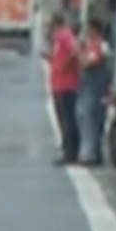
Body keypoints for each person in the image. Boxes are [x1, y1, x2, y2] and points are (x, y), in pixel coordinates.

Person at [44, 11, 81, 166]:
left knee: (67, 120)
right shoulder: (58, 40)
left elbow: (75, 52)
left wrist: (65, 65)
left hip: (66, 85)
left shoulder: (65, 36)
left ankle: (71, 152)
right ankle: (68, 150)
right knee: (64, 119)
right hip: (59, 84)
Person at [79, 17, 112, 167]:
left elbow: (90, 62)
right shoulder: (91, 45)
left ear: (95, 30)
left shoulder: (100, 45)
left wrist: (81, 59)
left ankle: (89, 154)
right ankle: (95, 153)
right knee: (92, 120)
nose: (86, 32)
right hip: (92, 88)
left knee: (91, 120)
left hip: (95, 88)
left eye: (89, 29)